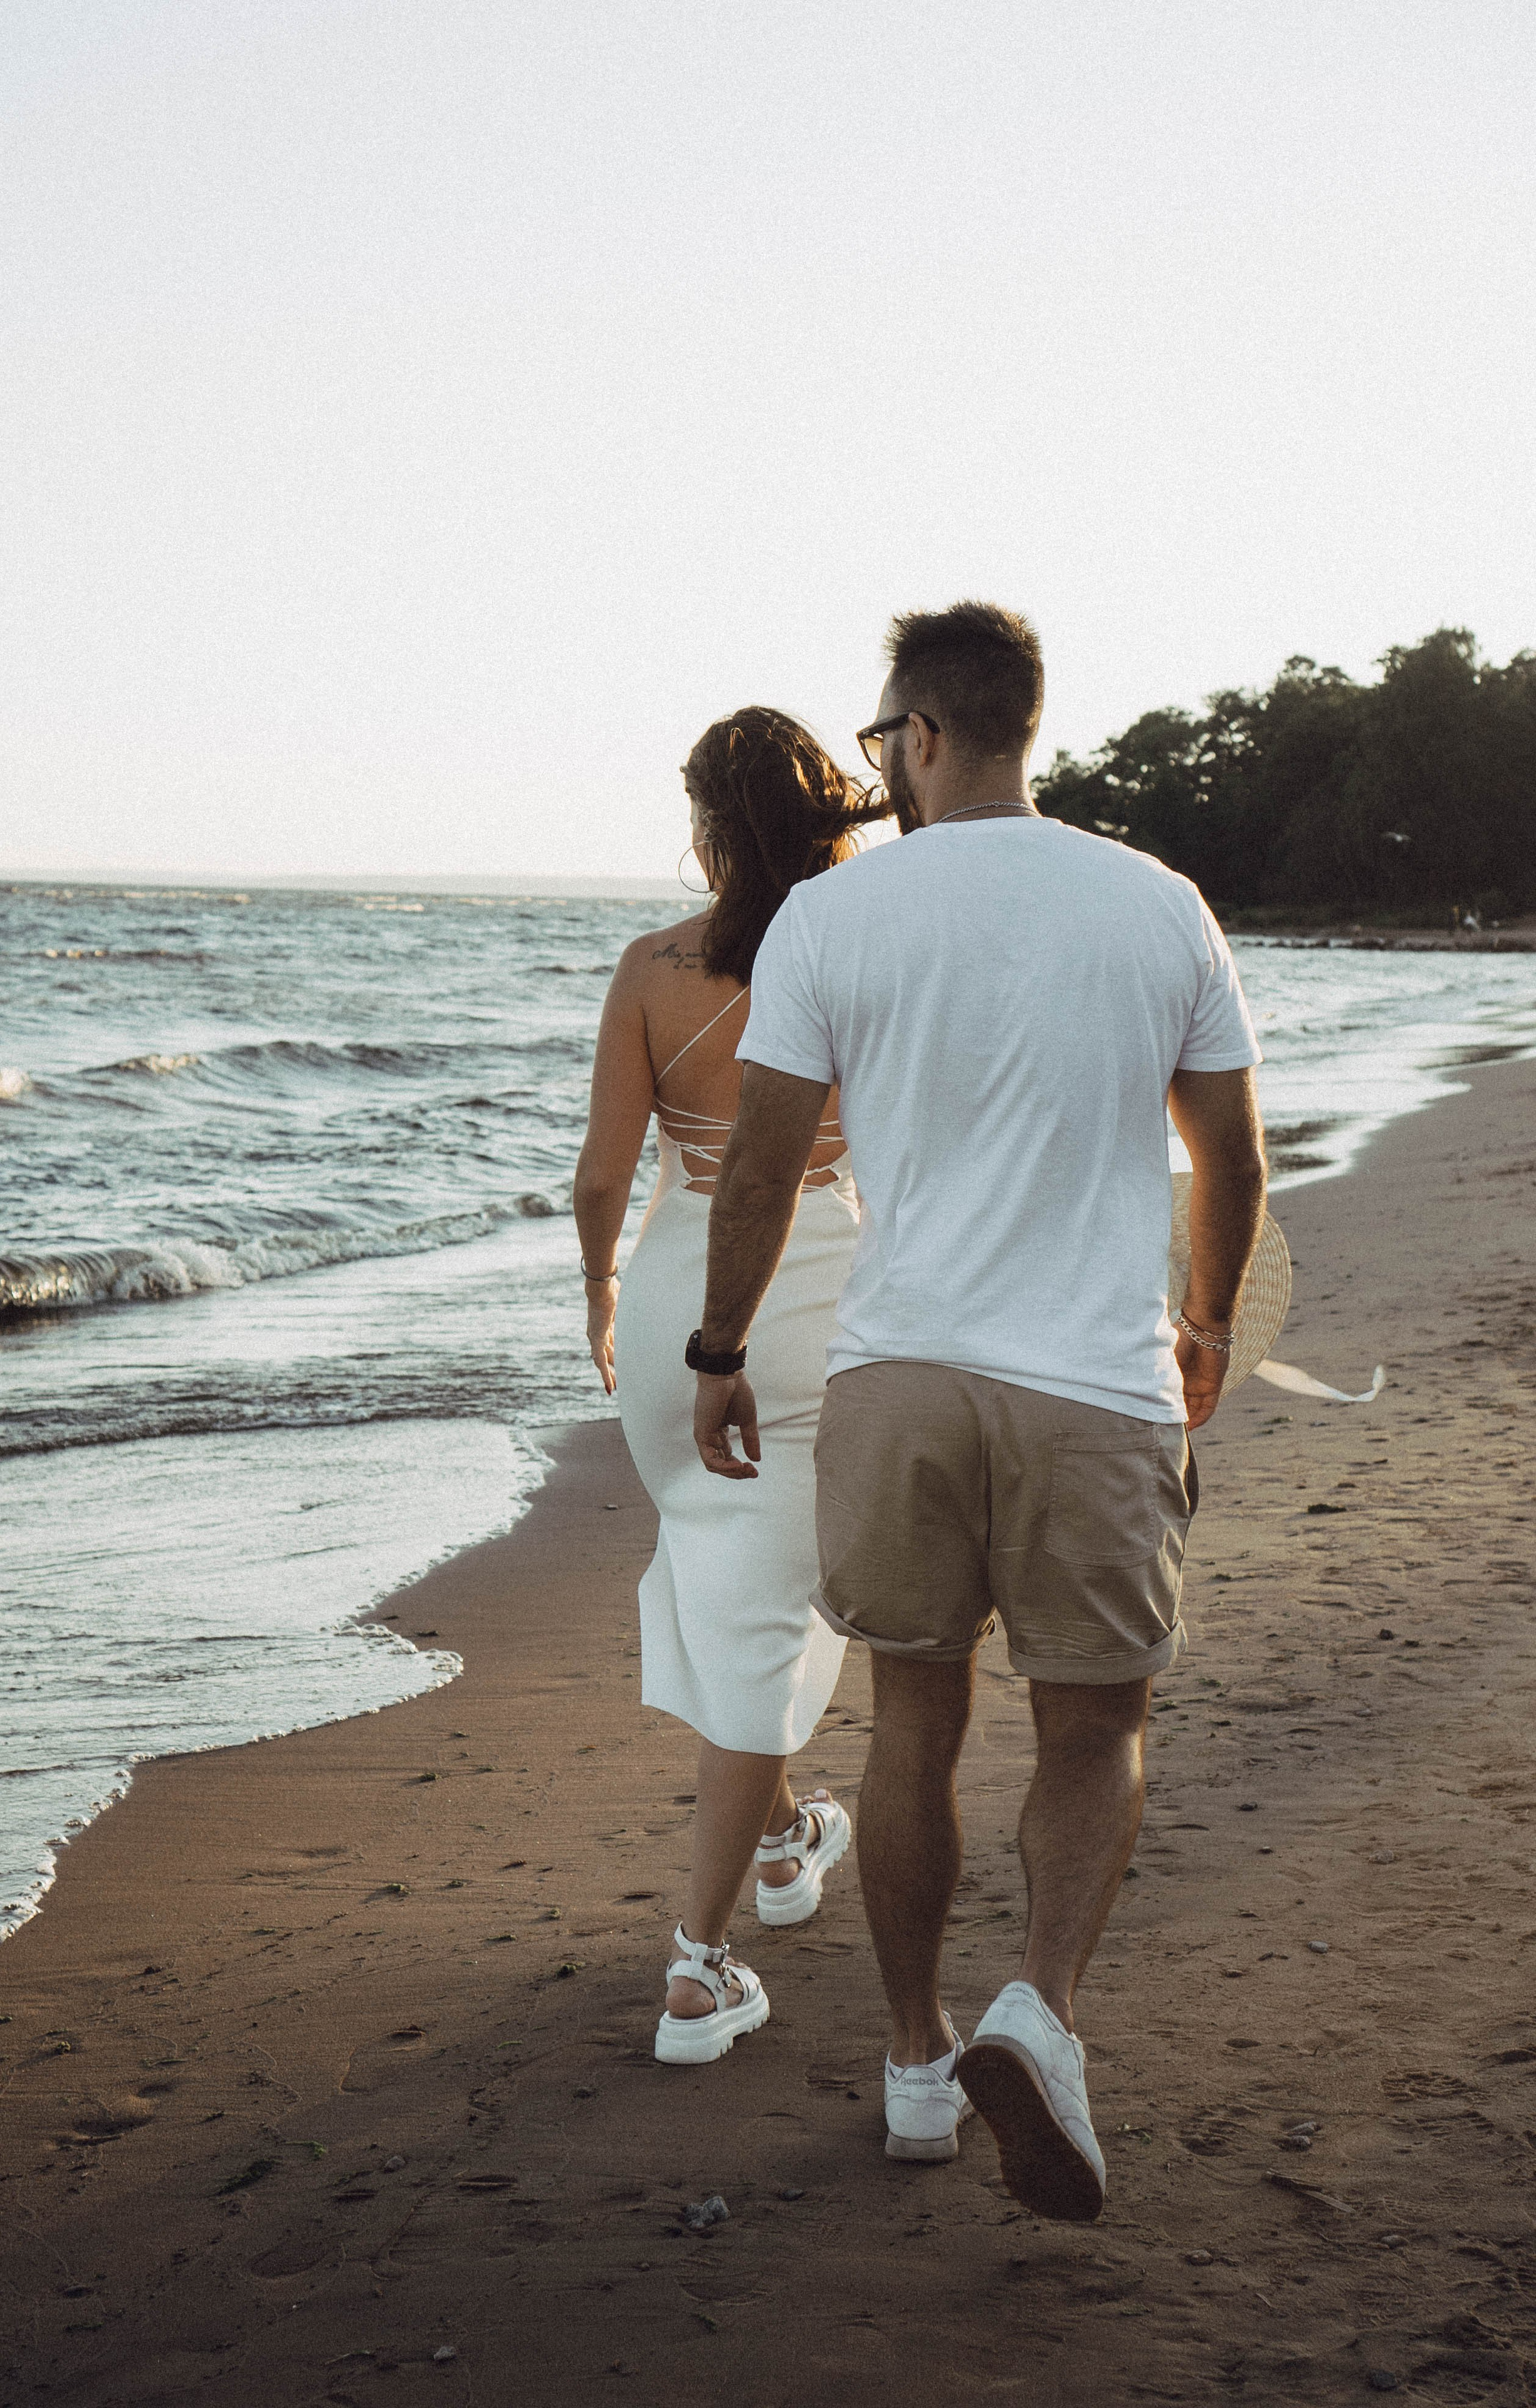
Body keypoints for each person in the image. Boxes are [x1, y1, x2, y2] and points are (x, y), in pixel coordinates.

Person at [688, 603, 1267, 2209]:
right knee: (1093, 1726)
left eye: (880, 745)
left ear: (923, 737)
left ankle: (912, 2066)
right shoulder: (1158, 907)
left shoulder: (832, 922)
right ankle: (1041, 2012)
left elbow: (761, 1162)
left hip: (901, 1375)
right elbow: (1228, 1153)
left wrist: (715, 1348)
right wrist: (1205, 1325)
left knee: (914, 1717)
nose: (880, 772)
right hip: (1092, 1378)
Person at [573, 708, 893, 2066]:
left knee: (720, 1566)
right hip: (813, 1293)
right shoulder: (872, 950)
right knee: (760, 1611)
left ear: (705, 825)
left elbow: (603, 1176)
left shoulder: (650, 969)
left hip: (671, 1311)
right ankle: (698, 1971)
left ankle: (780, 1839)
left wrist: (598, 1293)